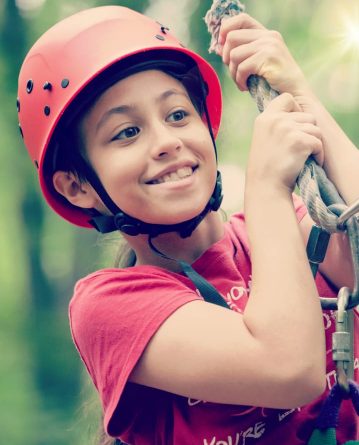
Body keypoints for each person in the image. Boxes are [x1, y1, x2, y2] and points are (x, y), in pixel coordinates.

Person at [17, 5, 359, 445]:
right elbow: (290, 369)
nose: (166, 142)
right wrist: (267, 188)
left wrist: (301, 97)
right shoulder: (108, 308)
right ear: (77, 186)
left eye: (178, 115)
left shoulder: (280, 232)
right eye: (126, 132)